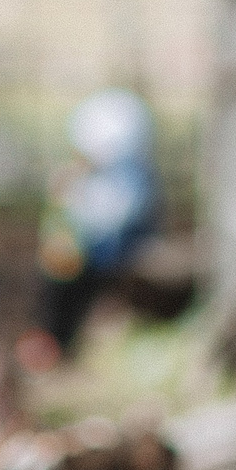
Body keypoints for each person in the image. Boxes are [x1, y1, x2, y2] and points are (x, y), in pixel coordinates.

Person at [22, 87, 161, 370]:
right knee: (58, 269)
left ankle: (57, 342)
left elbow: (120, 220)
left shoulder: (129, 176)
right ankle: (53, 341)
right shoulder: (92, 173)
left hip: (113, 253)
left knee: (66, 276)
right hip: (90, 253)